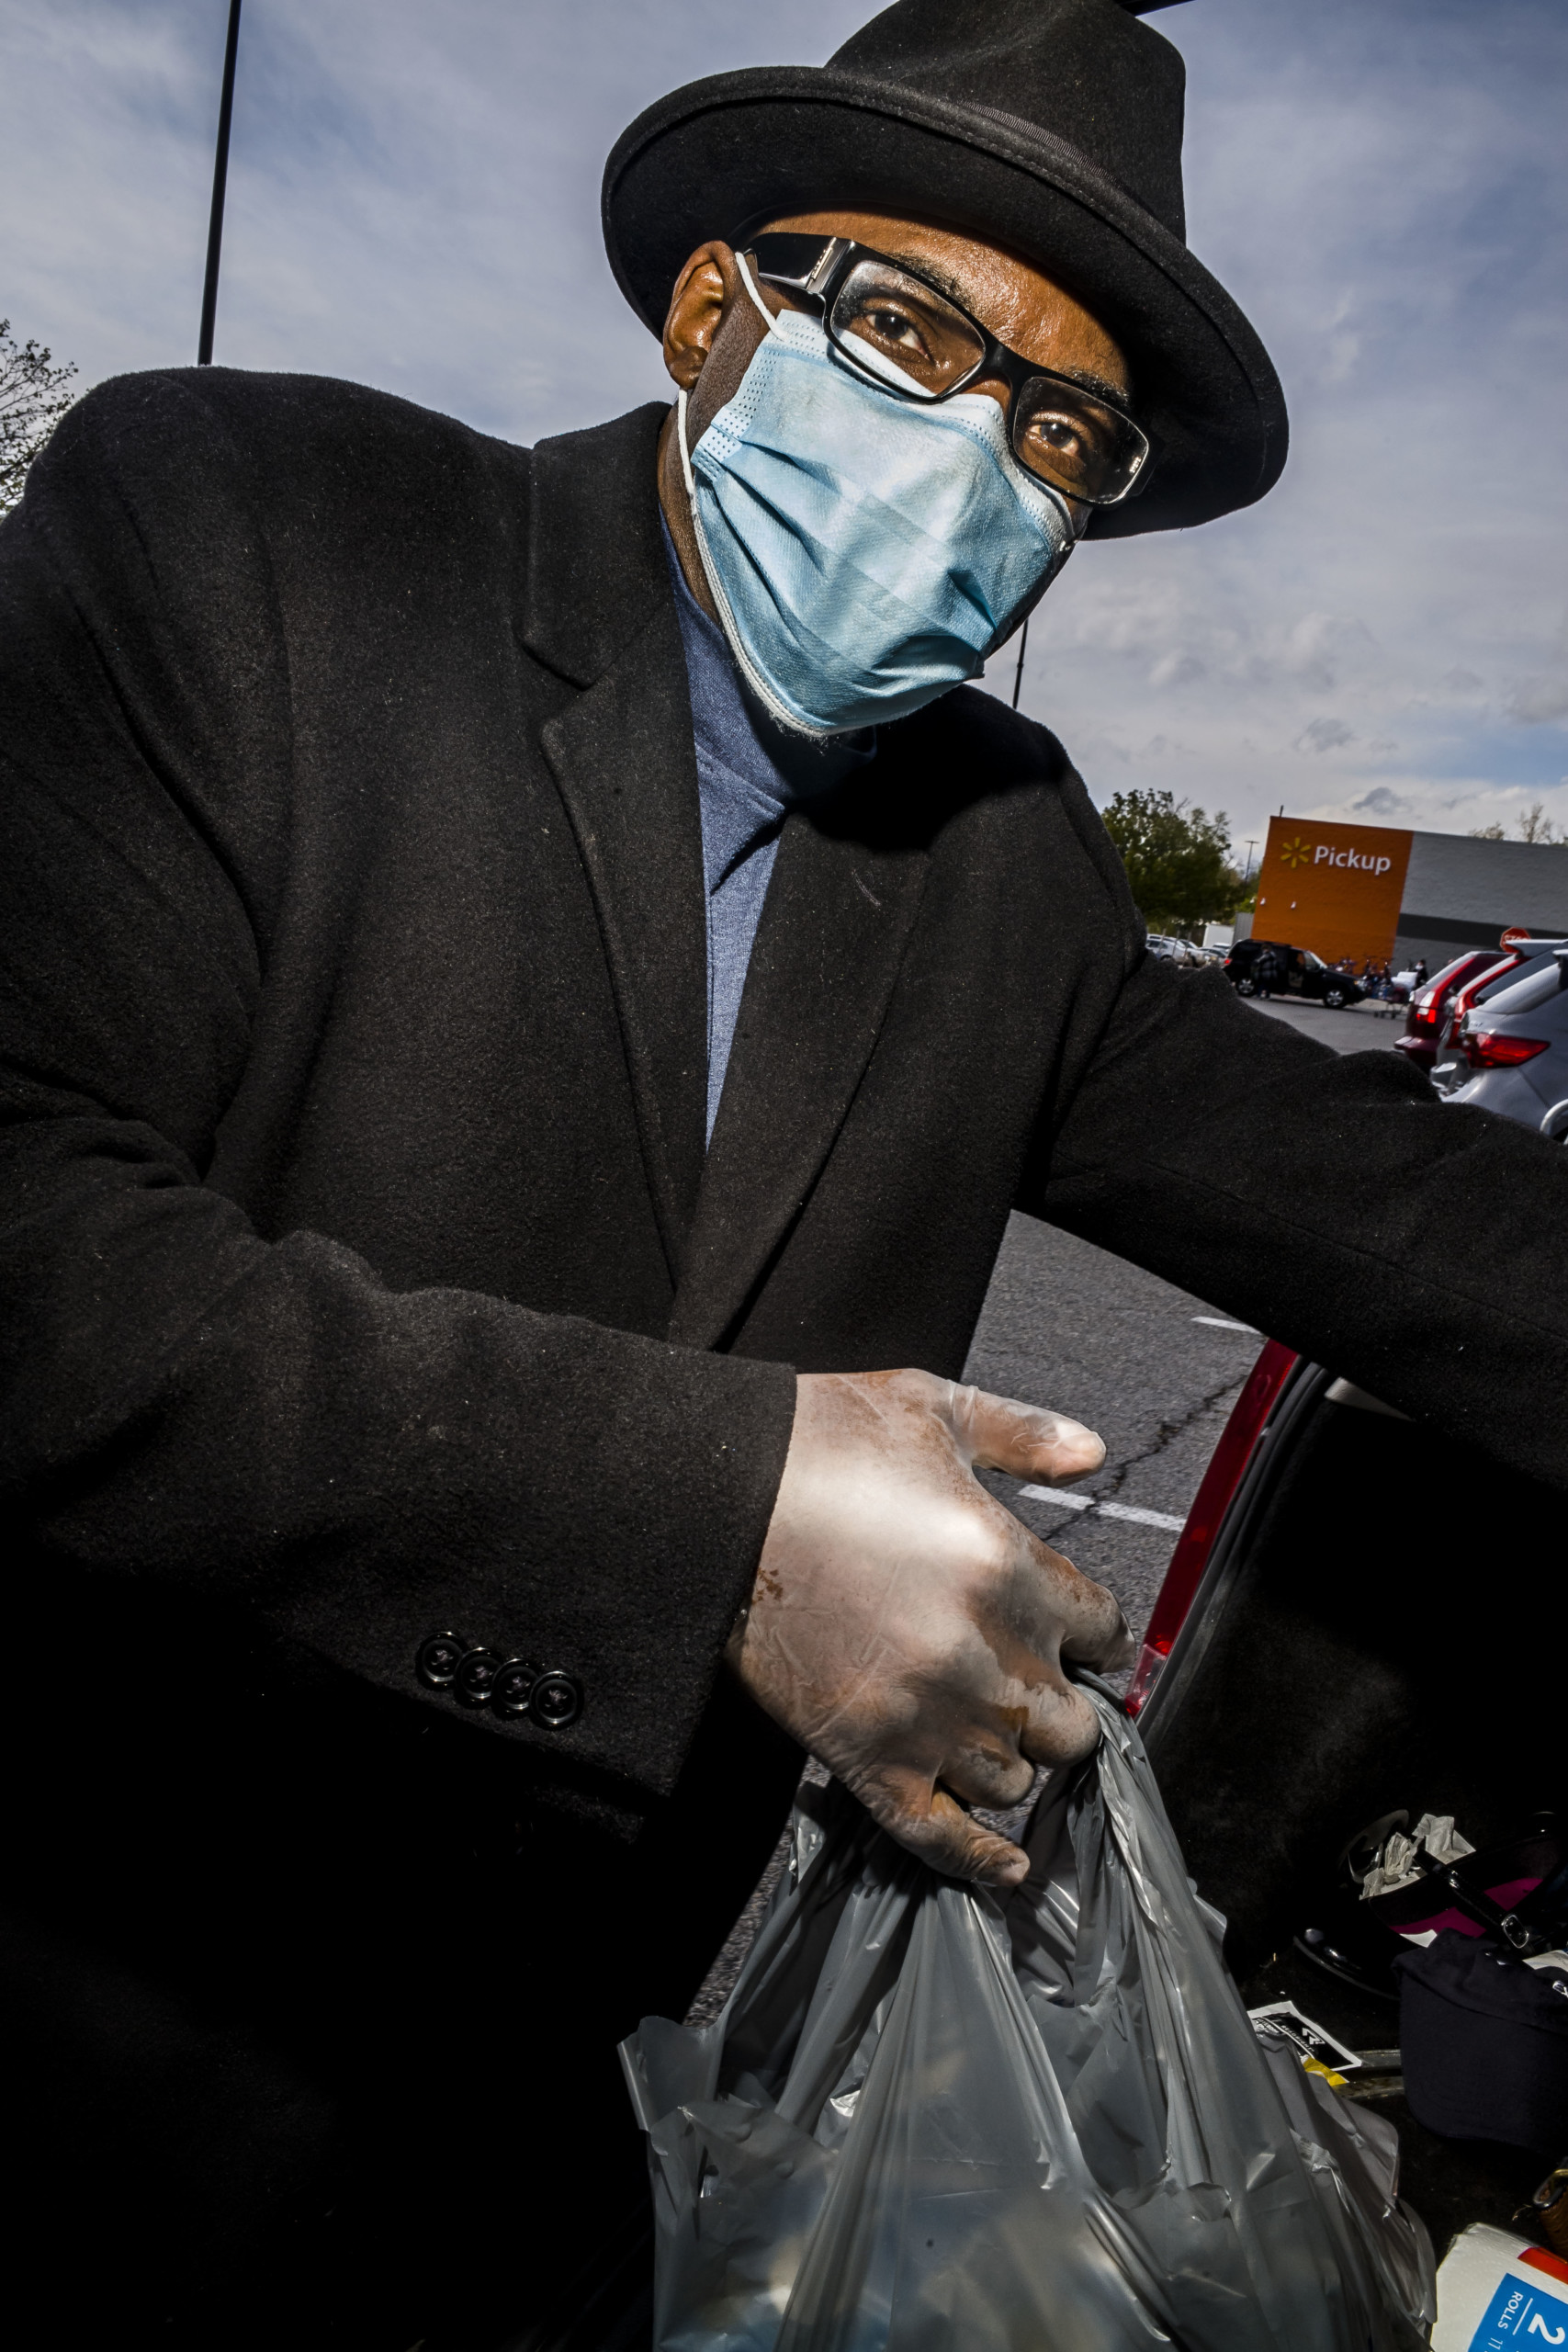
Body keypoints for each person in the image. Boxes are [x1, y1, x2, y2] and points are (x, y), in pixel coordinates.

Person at [3, 0, 1565, 2345]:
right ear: (711, 312)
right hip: (94, 2029)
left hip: (551, 2119)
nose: (977, 455)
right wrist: (720, 1508)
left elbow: (1402, 1212)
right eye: (913, 332)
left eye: (1059, 430)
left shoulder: (1003, 856)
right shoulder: (254, 535)